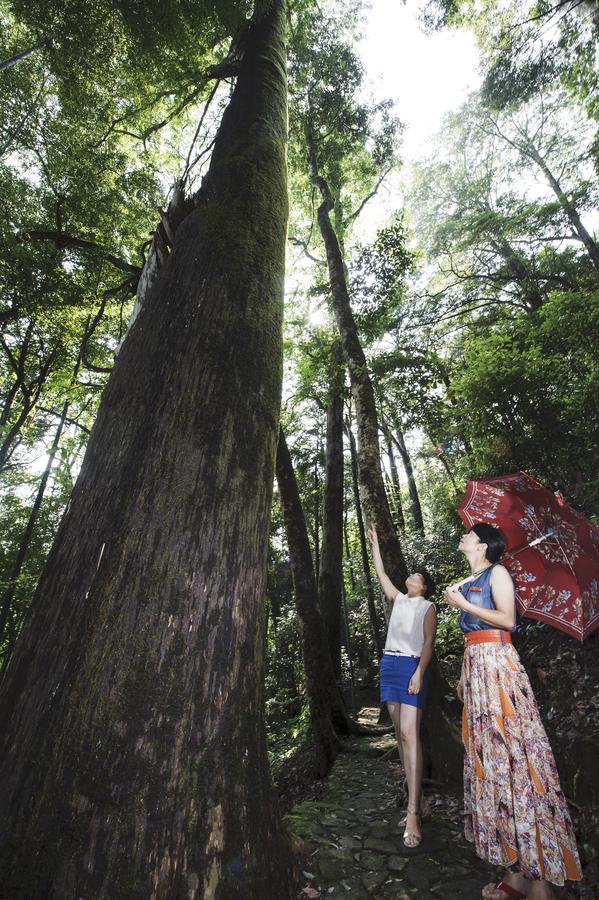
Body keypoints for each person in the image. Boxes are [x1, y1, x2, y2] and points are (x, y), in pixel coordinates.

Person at [445, 522, 582, 900]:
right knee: (494, 764)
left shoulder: (499, 572)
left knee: (515, 758)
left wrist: (463, 603)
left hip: (498, 669)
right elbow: (473, 632)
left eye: (470, 533)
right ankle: (516, 871)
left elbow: (507, 620)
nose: (464, 536)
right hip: (477, 668)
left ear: (484, 545)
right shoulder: (473, 577)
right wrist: (462, 674)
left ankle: (540, 879)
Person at [367, 525, 437, 849]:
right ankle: (419, 798)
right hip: (390, 665)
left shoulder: (428, 608)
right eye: (411, 575)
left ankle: (412, 814)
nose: (411, 577)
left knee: (410, 733)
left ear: (424, 588)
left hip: (411, 667)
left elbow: (428, 645)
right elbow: (380, 571)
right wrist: (375, 544)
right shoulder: (397, 599)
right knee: (399, 734)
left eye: (417, 577)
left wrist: (419, 673)